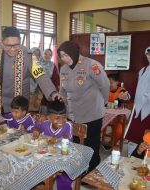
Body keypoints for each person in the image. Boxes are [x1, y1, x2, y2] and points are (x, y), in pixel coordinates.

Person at [0, 26, 62, 122]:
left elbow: (40, 75)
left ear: (20, 41)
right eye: (8, 46)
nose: (12, 49)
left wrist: (52, 93)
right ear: (2, 43)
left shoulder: (28, 55)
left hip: (20, 107)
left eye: (16, 45)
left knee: (19, 135)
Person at [57, 41, 110, 171]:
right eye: (62, 56)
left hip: (92, 113)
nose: (65, 59)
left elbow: (105, 85)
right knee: (75, 143)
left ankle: (92, 170)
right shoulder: (63, 69)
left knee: (91, 145)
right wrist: (61, 102)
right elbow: (62, 90)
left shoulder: (91, 65)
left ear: (74, 52)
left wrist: (103, 102)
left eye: (67, 55)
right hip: (73, 114)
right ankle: (78, 169)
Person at [32, 99, 73, 190]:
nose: (61, 121)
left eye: (64, 117)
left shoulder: (67, 125)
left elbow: (68, 142)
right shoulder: (45, 124)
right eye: (57, 118)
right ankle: (40, 184)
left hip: (63, 157)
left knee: (64, 177)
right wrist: (36, 130)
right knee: (31, 168)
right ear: (49, 118)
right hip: (46, 157)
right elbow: (37, 126)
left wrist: (57, 139)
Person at [125, 46, 150, 154]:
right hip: (138, 111)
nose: (149, 57)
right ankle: (131, 161)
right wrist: (127, 95)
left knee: (147, 142)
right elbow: (133, 88)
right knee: (133, 139)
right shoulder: (143, 71)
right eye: (148, 54)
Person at [38, 49, 60, 114]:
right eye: (45, 54)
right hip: (37, 90)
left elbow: (56, 79)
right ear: (42, 54)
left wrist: (53, 90)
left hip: (48, 89)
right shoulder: (37, 65)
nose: (47, 56)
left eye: (50, 55)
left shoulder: (53, 66)